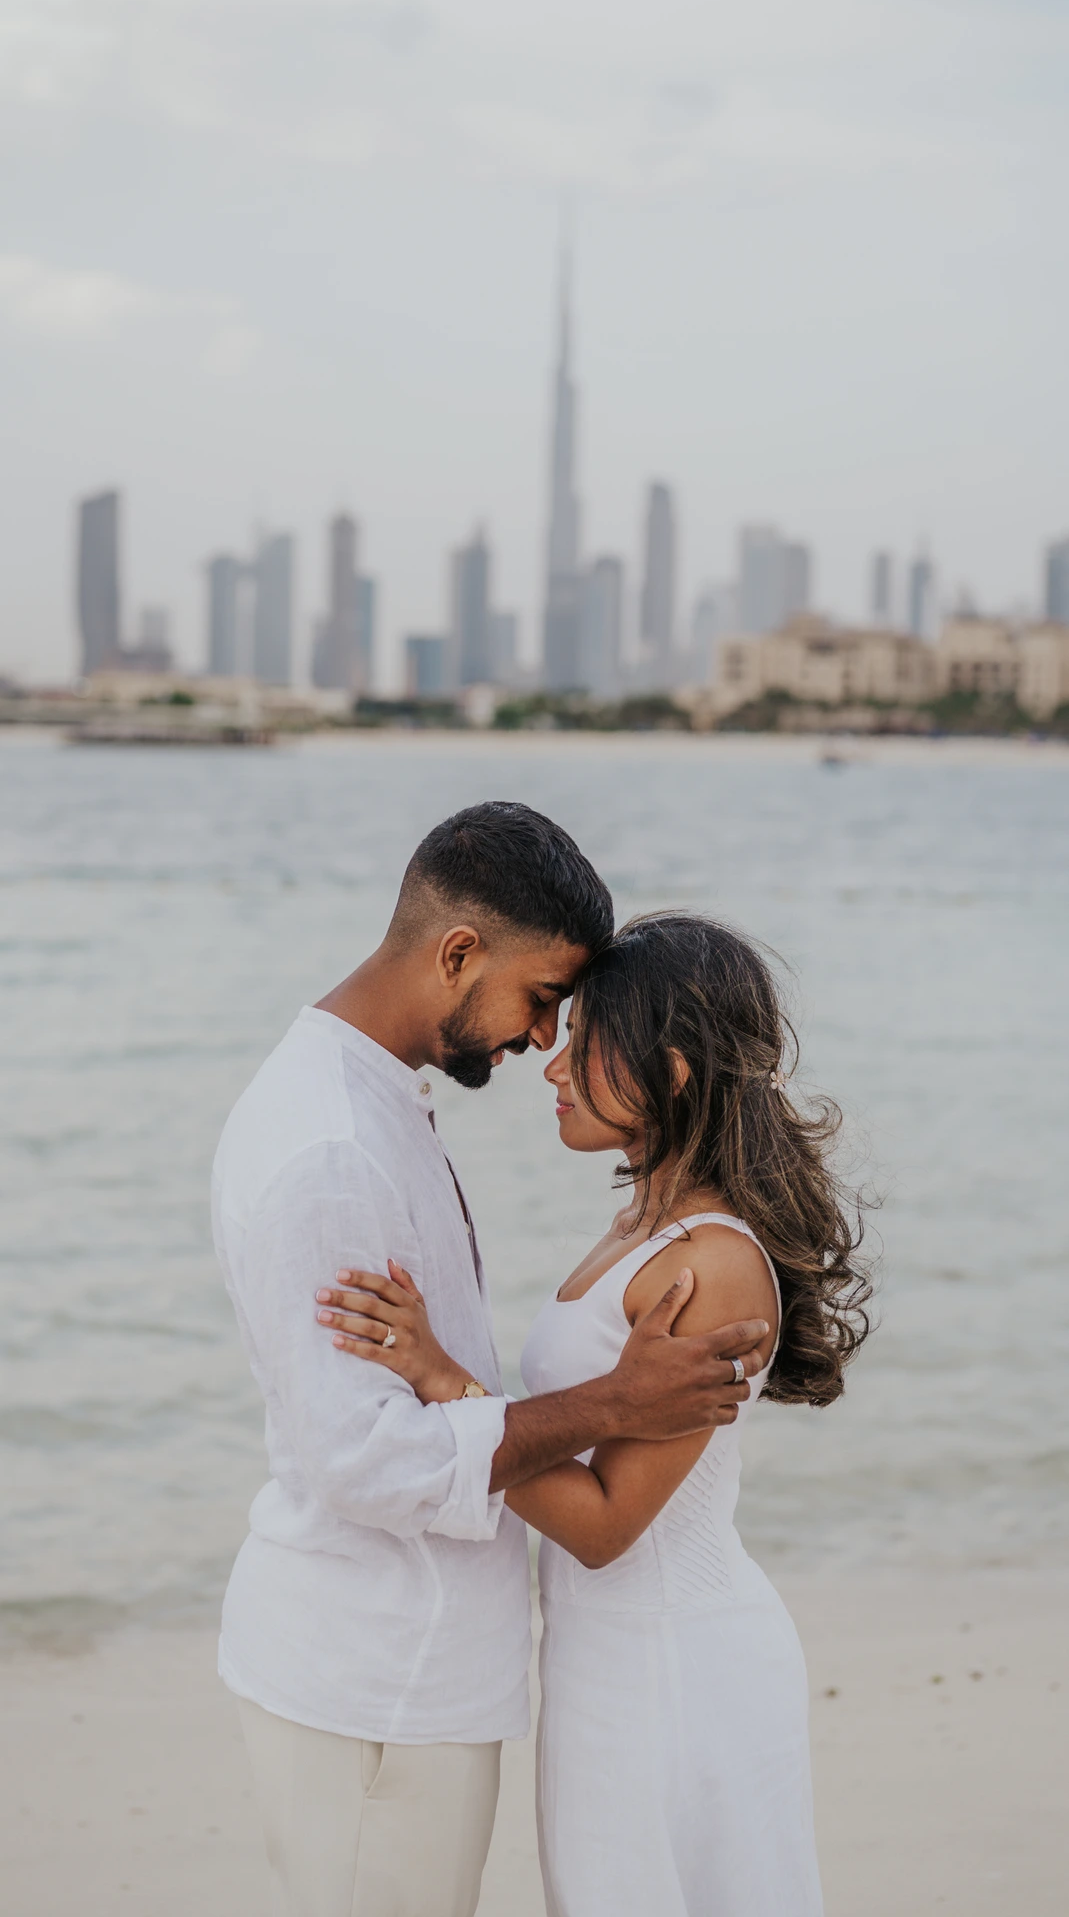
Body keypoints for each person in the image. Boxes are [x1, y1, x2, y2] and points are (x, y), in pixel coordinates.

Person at [212, 806, 772, 1917]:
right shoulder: (332, 1144)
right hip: (377, 1676)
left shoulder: (371, 1106)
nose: (539, 1045)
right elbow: (361, 1460)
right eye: (542, 1002)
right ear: (457, 953)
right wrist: (607, 1401)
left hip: (434, 1673)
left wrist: (460, 1380)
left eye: (571, 1019)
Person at [324, 911, 872, 1917]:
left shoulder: (708, 1264)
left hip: (673, 1661)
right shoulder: (641, 1223)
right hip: (605, 1655)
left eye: (583, 1041)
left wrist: (443, 1380)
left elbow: (607, 1525)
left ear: (667, 1071)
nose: (551, 1064)